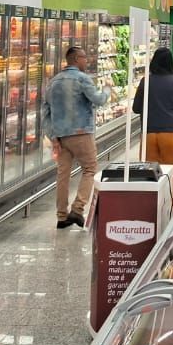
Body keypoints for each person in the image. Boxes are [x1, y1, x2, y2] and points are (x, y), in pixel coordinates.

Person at [42, 46, 110, 230]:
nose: (86, 61)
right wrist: (106, 90)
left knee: (63, 175)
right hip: (81, 133)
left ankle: (61, 216)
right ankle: (77, 209)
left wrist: (53, 137)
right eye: (84, 57)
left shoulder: (53, 82)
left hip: (60, 136)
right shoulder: (82, 79)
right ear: (76, 59)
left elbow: (45, 112)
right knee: (89, 168)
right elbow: (98, 100)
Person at [132, 47, 173, 197]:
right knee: (171, 173)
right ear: (170, 63)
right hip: (170, 133)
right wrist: (170, 110)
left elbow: (136, 108)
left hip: (148, 134)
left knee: (149, 174)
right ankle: (168, 206)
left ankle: (149, 205)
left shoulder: (145, 81)